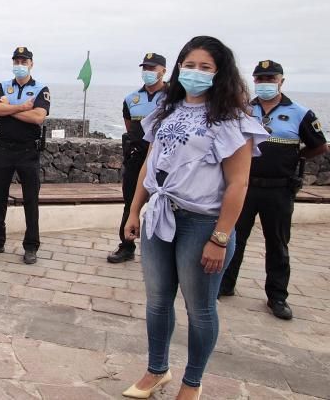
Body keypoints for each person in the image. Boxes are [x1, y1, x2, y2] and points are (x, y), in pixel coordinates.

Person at [122, 36, 268, 399]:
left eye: (205, 67)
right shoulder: (166, 111)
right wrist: (134, 209)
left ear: (220, 75)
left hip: (202, 223)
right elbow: (149, 166)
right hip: (161, 215)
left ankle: (192, 382)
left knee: (200, 309)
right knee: (157, 300)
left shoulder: (231, 120)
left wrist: (220, 238)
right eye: (189, 65)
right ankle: (157, 370)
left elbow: (238, 183)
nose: (195, 73)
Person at [219, 60, 328, 320]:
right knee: (234, 238)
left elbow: (319, 146)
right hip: (244, 186)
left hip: (279, 189)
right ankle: (225, 284)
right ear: (254, 82)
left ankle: (277, 296)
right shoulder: (242, 110)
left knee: (277, 244)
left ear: (281, 81)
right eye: (261, 79)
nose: (265, 83)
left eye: (271, 78)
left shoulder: (300, 113)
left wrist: (295, 158)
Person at [0, 47, 50, 265]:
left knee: (31, 200)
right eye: (16, 61)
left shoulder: (41, 88)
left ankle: (31, 246)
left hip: (28, 150)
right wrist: (21, 107)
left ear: (31, 64)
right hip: (4, 149)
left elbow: (38, 117)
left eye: (24, 61)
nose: (20, 64)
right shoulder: (3, 85)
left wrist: (8, 106)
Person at [108, 53, 167, 263]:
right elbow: (130, 126)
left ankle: (159, 252)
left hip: (163, 161)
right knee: (130, 203)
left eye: (153, 68)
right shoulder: (131, 98)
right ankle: (126, 246)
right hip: (136, 158)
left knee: (161, 205)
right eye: (146, 68)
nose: (149, 72)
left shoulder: (174, 97)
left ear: (163, 71)